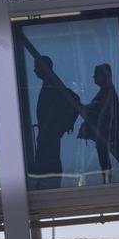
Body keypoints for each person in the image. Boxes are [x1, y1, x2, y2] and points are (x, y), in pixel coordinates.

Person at [29, 55, 81, 189]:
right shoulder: (50, 84)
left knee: (49, 163)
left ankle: (49, 187)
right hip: (47, 133)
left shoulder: (53, 85)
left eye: (36, 67)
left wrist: (63, 124)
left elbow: (74, 99)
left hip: (49, 134)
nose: (34, 70)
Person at [78, 63, 119, 184]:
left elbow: (97, 110)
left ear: (104, 76)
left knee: (108, 161)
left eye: (96, 74)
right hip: (108, 134)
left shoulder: (107, 92)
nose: (93, 77)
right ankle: (108, 182)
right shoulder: (106, 92)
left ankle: (109, 184)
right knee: (108, 160)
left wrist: (80, 107)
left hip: (107, 134)